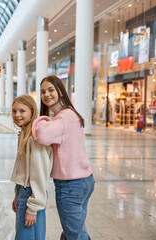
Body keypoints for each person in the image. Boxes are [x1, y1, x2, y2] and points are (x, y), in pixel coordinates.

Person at [32, 75, 95, 240]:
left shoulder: (64, 116)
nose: (46, 94)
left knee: (75, 235)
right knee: (74, 231)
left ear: (61, 90)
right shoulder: (69, 114)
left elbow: (42, 135)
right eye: (43, 92)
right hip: (83, 181)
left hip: (70, 185)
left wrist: (40, 120)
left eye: (51, 90)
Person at [10, 95, 53, 240]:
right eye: (14, 111)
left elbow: (40, 174)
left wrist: (33, 207)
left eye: (22, 111)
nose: (17, 115)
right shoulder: (24, 133)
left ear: (32, 111)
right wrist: (17, 196)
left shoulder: (35, 138)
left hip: (32, 195)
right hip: (24, 192)